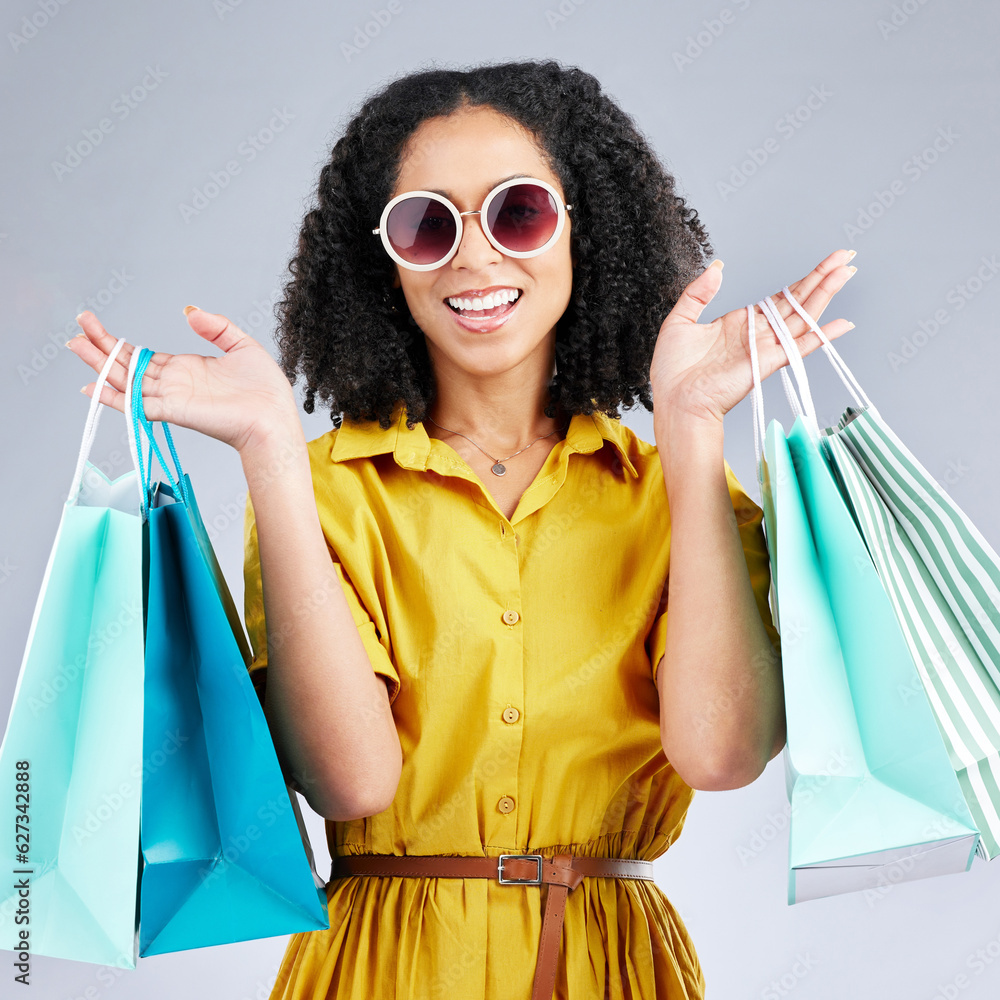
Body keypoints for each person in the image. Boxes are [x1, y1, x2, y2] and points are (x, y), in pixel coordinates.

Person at [67, 58, 856, 1000]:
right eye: (427, 226)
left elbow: (722, 756)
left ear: (582, 229)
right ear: (385, 263)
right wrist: (270, 449)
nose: (475, 259)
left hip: (610, 970)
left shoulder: (670, 492)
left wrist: (689, 426)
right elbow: (349, 783)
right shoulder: (326, 489)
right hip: (382, 970)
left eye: (518, 211)